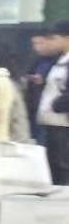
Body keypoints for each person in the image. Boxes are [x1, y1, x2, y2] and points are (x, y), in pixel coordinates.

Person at [39, 22, 69, 185]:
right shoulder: (59, 61)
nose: (52, 42)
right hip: (53, 122)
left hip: (64, 124)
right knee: (53, 166)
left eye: (55, 38)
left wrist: (57, 104)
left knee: (62, 167)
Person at [27, 26, 65, 145]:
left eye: (40, 43)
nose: (37, 47)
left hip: (59, 118)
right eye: (34, 44)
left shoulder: (61, 61)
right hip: (40, 113)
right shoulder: (37, 61)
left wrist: (56, 104)